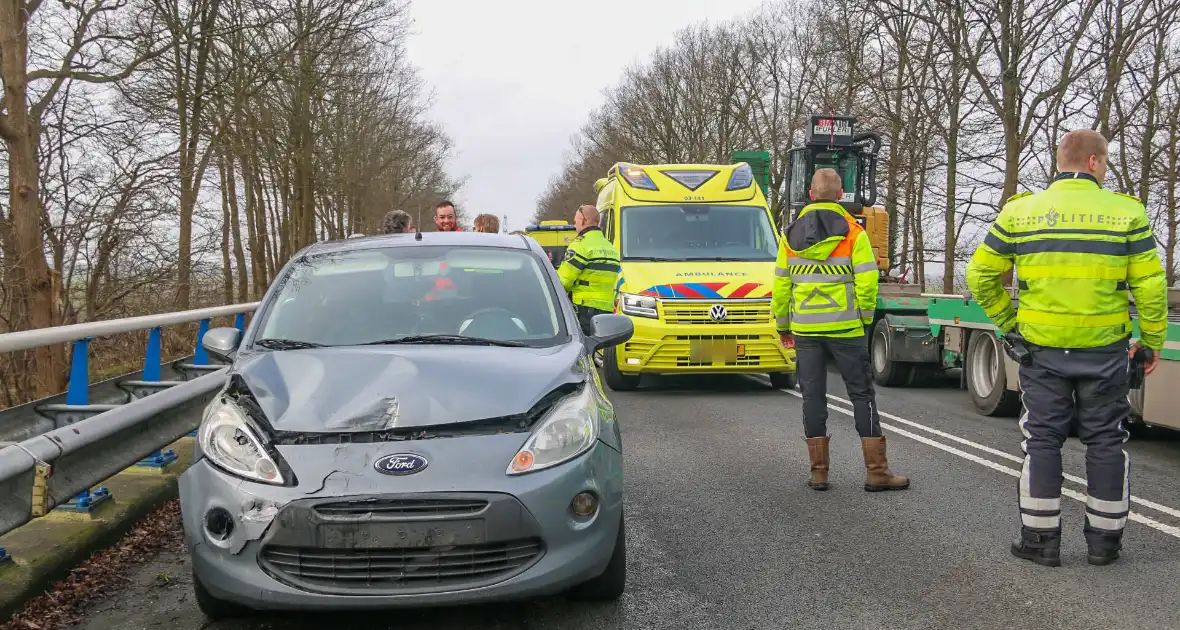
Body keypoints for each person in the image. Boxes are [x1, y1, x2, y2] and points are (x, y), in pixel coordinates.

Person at [966, 129, 1168, 567]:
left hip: (1042, 352)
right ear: (1094, 163)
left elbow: (980, 276)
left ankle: (1040, 541)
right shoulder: (1126, 214)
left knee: (1042, 442)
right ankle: (1104, 544)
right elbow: (1151, 287)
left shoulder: (1022, 213)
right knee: (1107, 443)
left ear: (1061, 161)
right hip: (1105, 352)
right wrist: (1150, 343)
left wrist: (1009, 324)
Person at [772, 168, 909, 493]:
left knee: (813, 396)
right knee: (862, 394)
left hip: (806, 330)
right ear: (840, 195)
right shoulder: (853, 233)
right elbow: (867, 280)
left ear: (809, 194)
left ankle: (819, 473)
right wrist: (863, 319)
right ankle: (877, 472)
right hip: (846, 329)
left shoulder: (789, 235)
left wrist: (783, 326)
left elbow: (780, 285)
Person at [556, 205, 620, 335]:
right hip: (607, 311)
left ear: (582, 221)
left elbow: (562, 282)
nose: (575, 226)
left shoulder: (580, 246)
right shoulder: (611, 248)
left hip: (584, 311)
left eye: (575, 222)